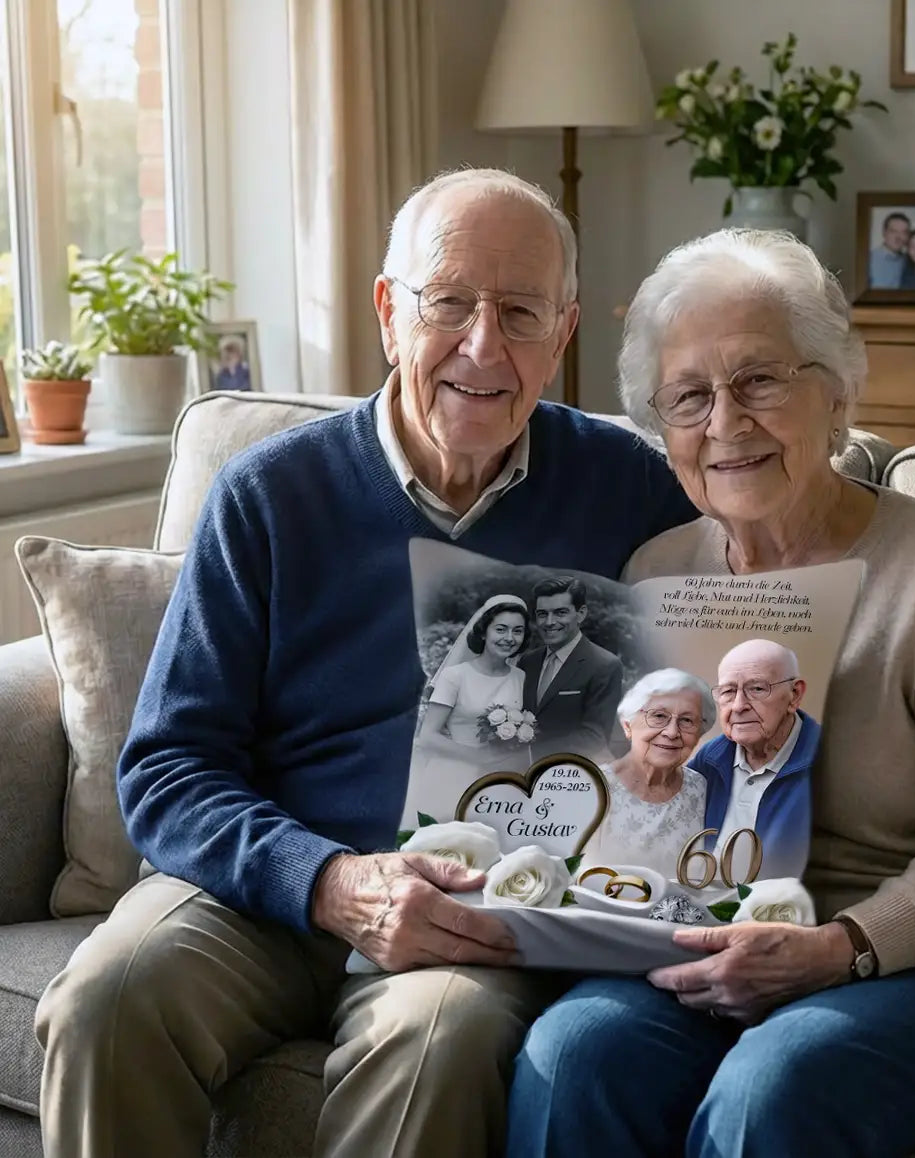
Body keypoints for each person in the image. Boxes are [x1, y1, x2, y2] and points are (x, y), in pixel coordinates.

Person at [33, 168, 699, 1158]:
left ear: (562, 338)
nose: (483, 345)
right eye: (450, 303)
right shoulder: (269, 494)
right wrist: (330, 882)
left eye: (519, 313)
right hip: (262, 887)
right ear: (390, 312)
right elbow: (167, 770)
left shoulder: (631, 491)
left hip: (474, 904)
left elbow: (758, 612)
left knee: (440, 1038)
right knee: (108, 994)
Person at [506, 229, 915, 1158]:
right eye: (688, 396)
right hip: (709, 945)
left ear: (837, 392)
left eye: (759, 381)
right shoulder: (656, 573)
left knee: (773, 1083)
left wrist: (838, 946)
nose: (724, 422)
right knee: (574, 1053)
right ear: (660, 430)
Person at [692, 639, 819, 882]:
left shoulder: (832, 766)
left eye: (757, 689)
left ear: (794, 695)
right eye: (728, 691)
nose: (739, 706)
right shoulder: (708, 760)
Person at [580, 669, 714, 880]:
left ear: (699, 734)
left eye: (687, 721)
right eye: (659, 716)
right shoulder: (592, 788)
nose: (672, 732)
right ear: (628, 725)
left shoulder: (700, 788)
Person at [410, 595, 530, 812]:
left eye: (517, 631)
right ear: (484, 632)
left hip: (497, 783)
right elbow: (428, 737)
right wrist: (480, 757)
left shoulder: (520, 677)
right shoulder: (455, 676)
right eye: (501, 629)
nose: (509, 638)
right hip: (450, 776)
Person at [518, 576, 624, 763]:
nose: (549, 622)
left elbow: (593, 737)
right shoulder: (528, 661)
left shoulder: (604, 665)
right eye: (542, 614)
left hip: (568, 773)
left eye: (560, 613)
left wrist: (526, 756)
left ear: (581, 613)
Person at [867, 212, 909, 288]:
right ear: (884, 232)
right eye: (893, 231)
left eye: (903, 232)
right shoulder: (868, 259)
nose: (898, 237)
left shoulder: (909, 260)